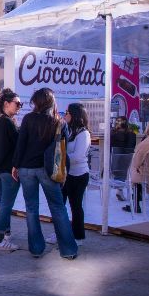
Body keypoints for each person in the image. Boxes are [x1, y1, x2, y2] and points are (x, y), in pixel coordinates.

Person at [11, 88, 78, 259]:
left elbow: (21, 144)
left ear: (38, 103)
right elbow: (64, 149)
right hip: (49, 170)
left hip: (26, 169)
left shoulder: (28, 119)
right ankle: (68, 250)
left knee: (31, 208)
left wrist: (15, 165)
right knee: (58, 208)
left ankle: (36, 249)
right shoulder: (59, 122)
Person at [0, 88, 22, 251]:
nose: (19, 107)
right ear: (6, 103)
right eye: (17, 104)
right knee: (6, 205)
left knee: (3, 203)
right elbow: (18, 145)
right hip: (8, 170)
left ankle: (6, 234)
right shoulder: (7, 122)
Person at [57, 103, 91, 246]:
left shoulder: (84, 133)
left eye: (67, 112)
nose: (65, 115)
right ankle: (61, 233)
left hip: (78, 175)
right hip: (66, 174)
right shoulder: (68, 130)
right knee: (60, 205)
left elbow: (77, 156)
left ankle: (78, 236)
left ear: (75, 115)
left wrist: (61, 156)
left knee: (75, 205)